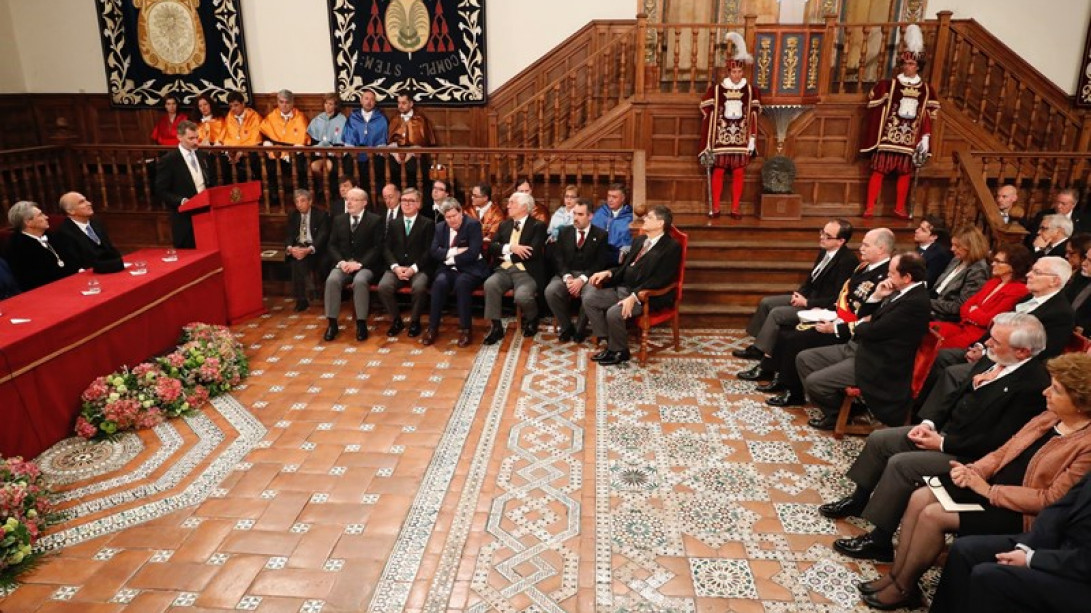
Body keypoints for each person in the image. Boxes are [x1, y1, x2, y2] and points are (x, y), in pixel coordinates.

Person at [858, 352, 1091, 610]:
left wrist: (989, 490)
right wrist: (974, 470)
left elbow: (1050, 500)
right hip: (989, 487)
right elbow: (1006, 449)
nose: (1046, 392)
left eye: (1056, 390)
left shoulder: (1086, 445)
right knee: (920, 496)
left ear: (1080, 403)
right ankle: (895, 576)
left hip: (1017, 510)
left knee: (933, 516)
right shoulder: (1051, 417)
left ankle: (905, 587)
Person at [819, 313, 1051, 563]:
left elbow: (999, 441)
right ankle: (858, 500)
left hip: (971, 457)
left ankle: (880, 539)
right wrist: (928, 424)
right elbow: (954, 396)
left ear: (1022, 352)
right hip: (949, 434)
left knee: (902, 465)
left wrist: (941, 443)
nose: (988, 344)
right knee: (880, 439)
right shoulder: (993, 359)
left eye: (996, 341)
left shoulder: (1032, 386)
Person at [748, 228, 893, 406]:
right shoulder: (863, 267)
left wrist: (834, 324)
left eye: (866, 245)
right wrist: (825, 309)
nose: (861, 248)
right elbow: (845, 297)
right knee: (785, 332)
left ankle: (793, 393)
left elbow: (868, 312)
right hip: (836, 316)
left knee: (795, 338)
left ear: (881, 249)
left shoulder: (885, 276)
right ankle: (779, 378)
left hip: (848, 330)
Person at [796, 251, 932, 430]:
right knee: (804, 359)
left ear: (907, 277)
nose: (887, 276)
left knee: (815, 382)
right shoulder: (897, 291)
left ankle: (845, 414)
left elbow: (874, 330)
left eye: (891, 273)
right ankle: (839, 411)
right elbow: (863, 315)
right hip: (861, 348)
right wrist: (876, 296)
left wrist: (860, 325)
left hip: (878, 362)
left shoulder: (915, 301)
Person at [929, 469, 1091, 612]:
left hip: (1080, 579)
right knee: (964, 550)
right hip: (1061, 546)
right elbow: (1059, 510)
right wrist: (1026, 547)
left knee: (988, 577)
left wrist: (1032, 559)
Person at [733, 219, 858, 362]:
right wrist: (799, 294)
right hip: (807, 297)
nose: (822, 237)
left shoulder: (847, 261)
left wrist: (807, 302)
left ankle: (762, 352)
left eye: (827, 236)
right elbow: (811, 279)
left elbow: (837, 297)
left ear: (841, 241)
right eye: (822, 232)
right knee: (766, 303)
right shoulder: (825, 251)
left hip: (822, 307)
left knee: (777, 313)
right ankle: (759, 343)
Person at [584, 205, 682, 366]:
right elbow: (625, 268)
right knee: (589, 298)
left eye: (649, 217)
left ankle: (621, 351)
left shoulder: (671, 247)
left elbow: (661, 279)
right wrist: (608, 273)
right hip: (624, 288)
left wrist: (634, 296)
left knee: (614, 313)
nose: (644, 219)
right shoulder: (640, 240)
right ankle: (610, 343)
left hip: (646, 296)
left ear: (660, 223)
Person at [859, 24, 939, 219]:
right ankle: (869, 207)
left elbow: (927, 114)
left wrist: (925, 137)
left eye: (911, 64)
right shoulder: (890, 84)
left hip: (910, 139)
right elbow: (873, 100)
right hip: (889, 137)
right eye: (905, 64)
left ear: (918, 66)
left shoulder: (927, 89)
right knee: (878, 171)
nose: (907, 67)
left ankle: (899, 207)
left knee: (905, 174)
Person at [698, 32, 760, 219]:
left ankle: (735, 208)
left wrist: (752, 139)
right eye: (733, 72)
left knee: (739, 172)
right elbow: (705, 110)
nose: (736, 75)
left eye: (739, 72)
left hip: (740, 139)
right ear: (728, 72)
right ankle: (715, 208)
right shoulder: (716, 89)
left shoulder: (750, 90)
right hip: (720, 139)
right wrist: (708, 141)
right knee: (718, 170)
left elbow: (754, 115)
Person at [933, 243, 1032, 350]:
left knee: (939, 346)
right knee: (927, 330)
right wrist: (975, 312)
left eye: (998, 261)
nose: (993, 264)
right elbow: (964, 307)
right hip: (963, 326)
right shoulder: (993, 282)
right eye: (994, 260)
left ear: (1013, 266)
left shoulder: (1019, 290)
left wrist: (973, 311)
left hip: (978, 336)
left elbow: (989, 320)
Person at [423, 199, 490, 348]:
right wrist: (454, 252)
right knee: (439, 283)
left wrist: (448, 259)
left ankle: (466, 329)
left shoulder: (472, 225)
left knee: (462, 283)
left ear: (461, 212)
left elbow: (472, 253)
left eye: (454, 216)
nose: (452, 220)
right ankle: (432, 328)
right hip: (449, 269)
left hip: (471, 269)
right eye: (448, 217)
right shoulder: (440, 227)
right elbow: (434, 251)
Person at [482, 192, 547, 345]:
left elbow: (531, 252)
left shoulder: (538, 226)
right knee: (490, 284)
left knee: (522, 296)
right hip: (504, 270)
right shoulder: (504, 224)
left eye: (512, 203)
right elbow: (491, 247)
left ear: (524, 207)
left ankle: (532, 318)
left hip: (526, 271)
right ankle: (496, 327)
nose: (508, 206)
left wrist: (506, 255)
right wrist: (511, 247)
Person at [322, 188, 382, 342]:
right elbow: (332, 245)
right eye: (347, 199)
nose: (349, 202)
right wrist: (341, 262)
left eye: (354, 199)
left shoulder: (375, 220)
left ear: (364, 203)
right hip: (344, 265)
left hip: (365, 265)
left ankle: (361, 323)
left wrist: (360, 264)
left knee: (360, 281)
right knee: (332, 280)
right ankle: (332, 323)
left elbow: (377, 248)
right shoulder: (339, 220)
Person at [546, 197, 610, 341]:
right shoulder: (564, 232)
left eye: (580, 215)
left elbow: (600, 263)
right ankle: (567, 327)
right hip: (567, 273)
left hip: (589, 276)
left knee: (590, 296)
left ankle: (580, 330)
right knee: (551, 291)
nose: (576, 218)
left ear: (590, 216)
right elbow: (558, 258)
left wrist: (582, 279)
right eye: (574, 214)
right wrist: (567, 277)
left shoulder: (601, 235)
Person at [378, 188, 434, 338]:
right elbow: (386, 248)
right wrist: (395, 267)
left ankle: (415, 321)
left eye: (411, 201)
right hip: (397, 267)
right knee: (383, 286)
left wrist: (414, 268)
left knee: (419, 286)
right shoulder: (394, 223)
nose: (407, 204)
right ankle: (396, 320)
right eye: (404, 200)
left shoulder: (427, 224)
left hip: (418, 268)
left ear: (419, 204)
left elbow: (429, 251)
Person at [154, 120, 211, 249]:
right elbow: (161, 190)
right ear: (179, 137)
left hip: (205, 215)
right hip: (184, 219)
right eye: (191, 138)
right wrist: (182, 201)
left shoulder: (202, 155)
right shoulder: (169, 160)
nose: (196, 142)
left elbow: (208, 181)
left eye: (197, 137)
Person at [5, 201, 78, 291]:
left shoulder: (52, 236)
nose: (46, 217)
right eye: (40, 215)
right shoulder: (18, 248)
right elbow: (33, 281)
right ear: (28, 222)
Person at [929, 226, 990, 322]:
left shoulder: (978, 271)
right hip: (933, 303)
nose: (952, 249)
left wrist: (927, 302)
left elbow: (960, 306)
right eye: (952, 244)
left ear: (971, 247)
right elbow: (937, 288)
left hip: (944, 316)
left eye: (957, 246)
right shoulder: (956, 260)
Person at [285, 189, 330, 312]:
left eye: (302, 201)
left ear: (310, 201)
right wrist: (290, 248)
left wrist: (309, 249)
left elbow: (323, 236)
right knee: (296, 260)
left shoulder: (321, 215)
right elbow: (289, 235)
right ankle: (307, 293)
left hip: (316, 250)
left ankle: (303, 298)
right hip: (299, 247)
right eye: (297, 201)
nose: (299, 204)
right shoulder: (293, 215)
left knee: (301, 261)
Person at [54, 191, 121, 270]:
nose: (89, 203)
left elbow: (110, 249)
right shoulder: (64, 233)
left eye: (86, 200)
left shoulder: (96, 223)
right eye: (81, 202)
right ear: (70, 211)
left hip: (110, 267)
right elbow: (77, 263)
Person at [387, 91, 436, 187]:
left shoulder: (420, 120)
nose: (400, 106)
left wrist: (410, 154)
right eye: (399, 103)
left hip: (414, 155)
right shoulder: (394, 119)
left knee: (415, 167)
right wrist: (396, 154)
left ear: (411, 104)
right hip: (397, 154)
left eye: (404, 103)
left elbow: (423, 142)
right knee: (390, 167)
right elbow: (391, 141)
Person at [343, 89, 389, 188]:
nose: (369, 102)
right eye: (366, 98)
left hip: (374, 154)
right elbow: (349, 137)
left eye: (372, 99)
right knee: (349, 165)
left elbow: (382, 140)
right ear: (361, 100)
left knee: (377, 167)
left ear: (375, 102)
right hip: (356, 153)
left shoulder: (380, 118)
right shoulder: (353, 117)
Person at [221, 91, 262, 180]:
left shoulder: (254, 116)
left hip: (250, 151)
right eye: (231, 106)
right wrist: (231, 153)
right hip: (233, 153)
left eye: (236, 105)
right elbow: (228, 137)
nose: (233, 109)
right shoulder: (229, 117)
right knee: (222, 163)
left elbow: (255, 139)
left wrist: (241, 152)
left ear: (243, 104)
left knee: (250, 162)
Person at [306, 92, 347, 181]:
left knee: (329, 167)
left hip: (333, 153)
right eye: (326, 103)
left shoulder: (342, 120)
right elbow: (313, 139)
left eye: (331, 104)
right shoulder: (318, 119)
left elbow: (340, 141)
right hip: (318, 152)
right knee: (313, 166)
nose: (327, 106)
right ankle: (321, 187)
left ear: (336, 106)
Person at [590, 183, 634, 264]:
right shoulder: (600, 213)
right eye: (609, 196)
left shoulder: (629, 216)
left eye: (614, 197)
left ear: (623, 198)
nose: (610, 200)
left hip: (619, 255)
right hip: (597, 253)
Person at [913, 215, 952, 288]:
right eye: (919, 227)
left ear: (934, 237)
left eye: (923, 230)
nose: (917, 231)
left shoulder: (939, 254)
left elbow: (928, 281)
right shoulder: (920, 248)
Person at [465, 182, 505, 248]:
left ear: (485, 198)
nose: (472, 197)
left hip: (488, 250)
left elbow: (493, 235)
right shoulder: (467, 211)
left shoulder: (497, 214)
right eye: (472, 195)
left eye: (475, 196)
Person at [1067, 243, 1091, 333]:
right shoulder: (1080, 276)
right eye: (1085, 258)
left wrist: (1084, 328)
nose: (1084, 264)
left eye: (1090, 261)